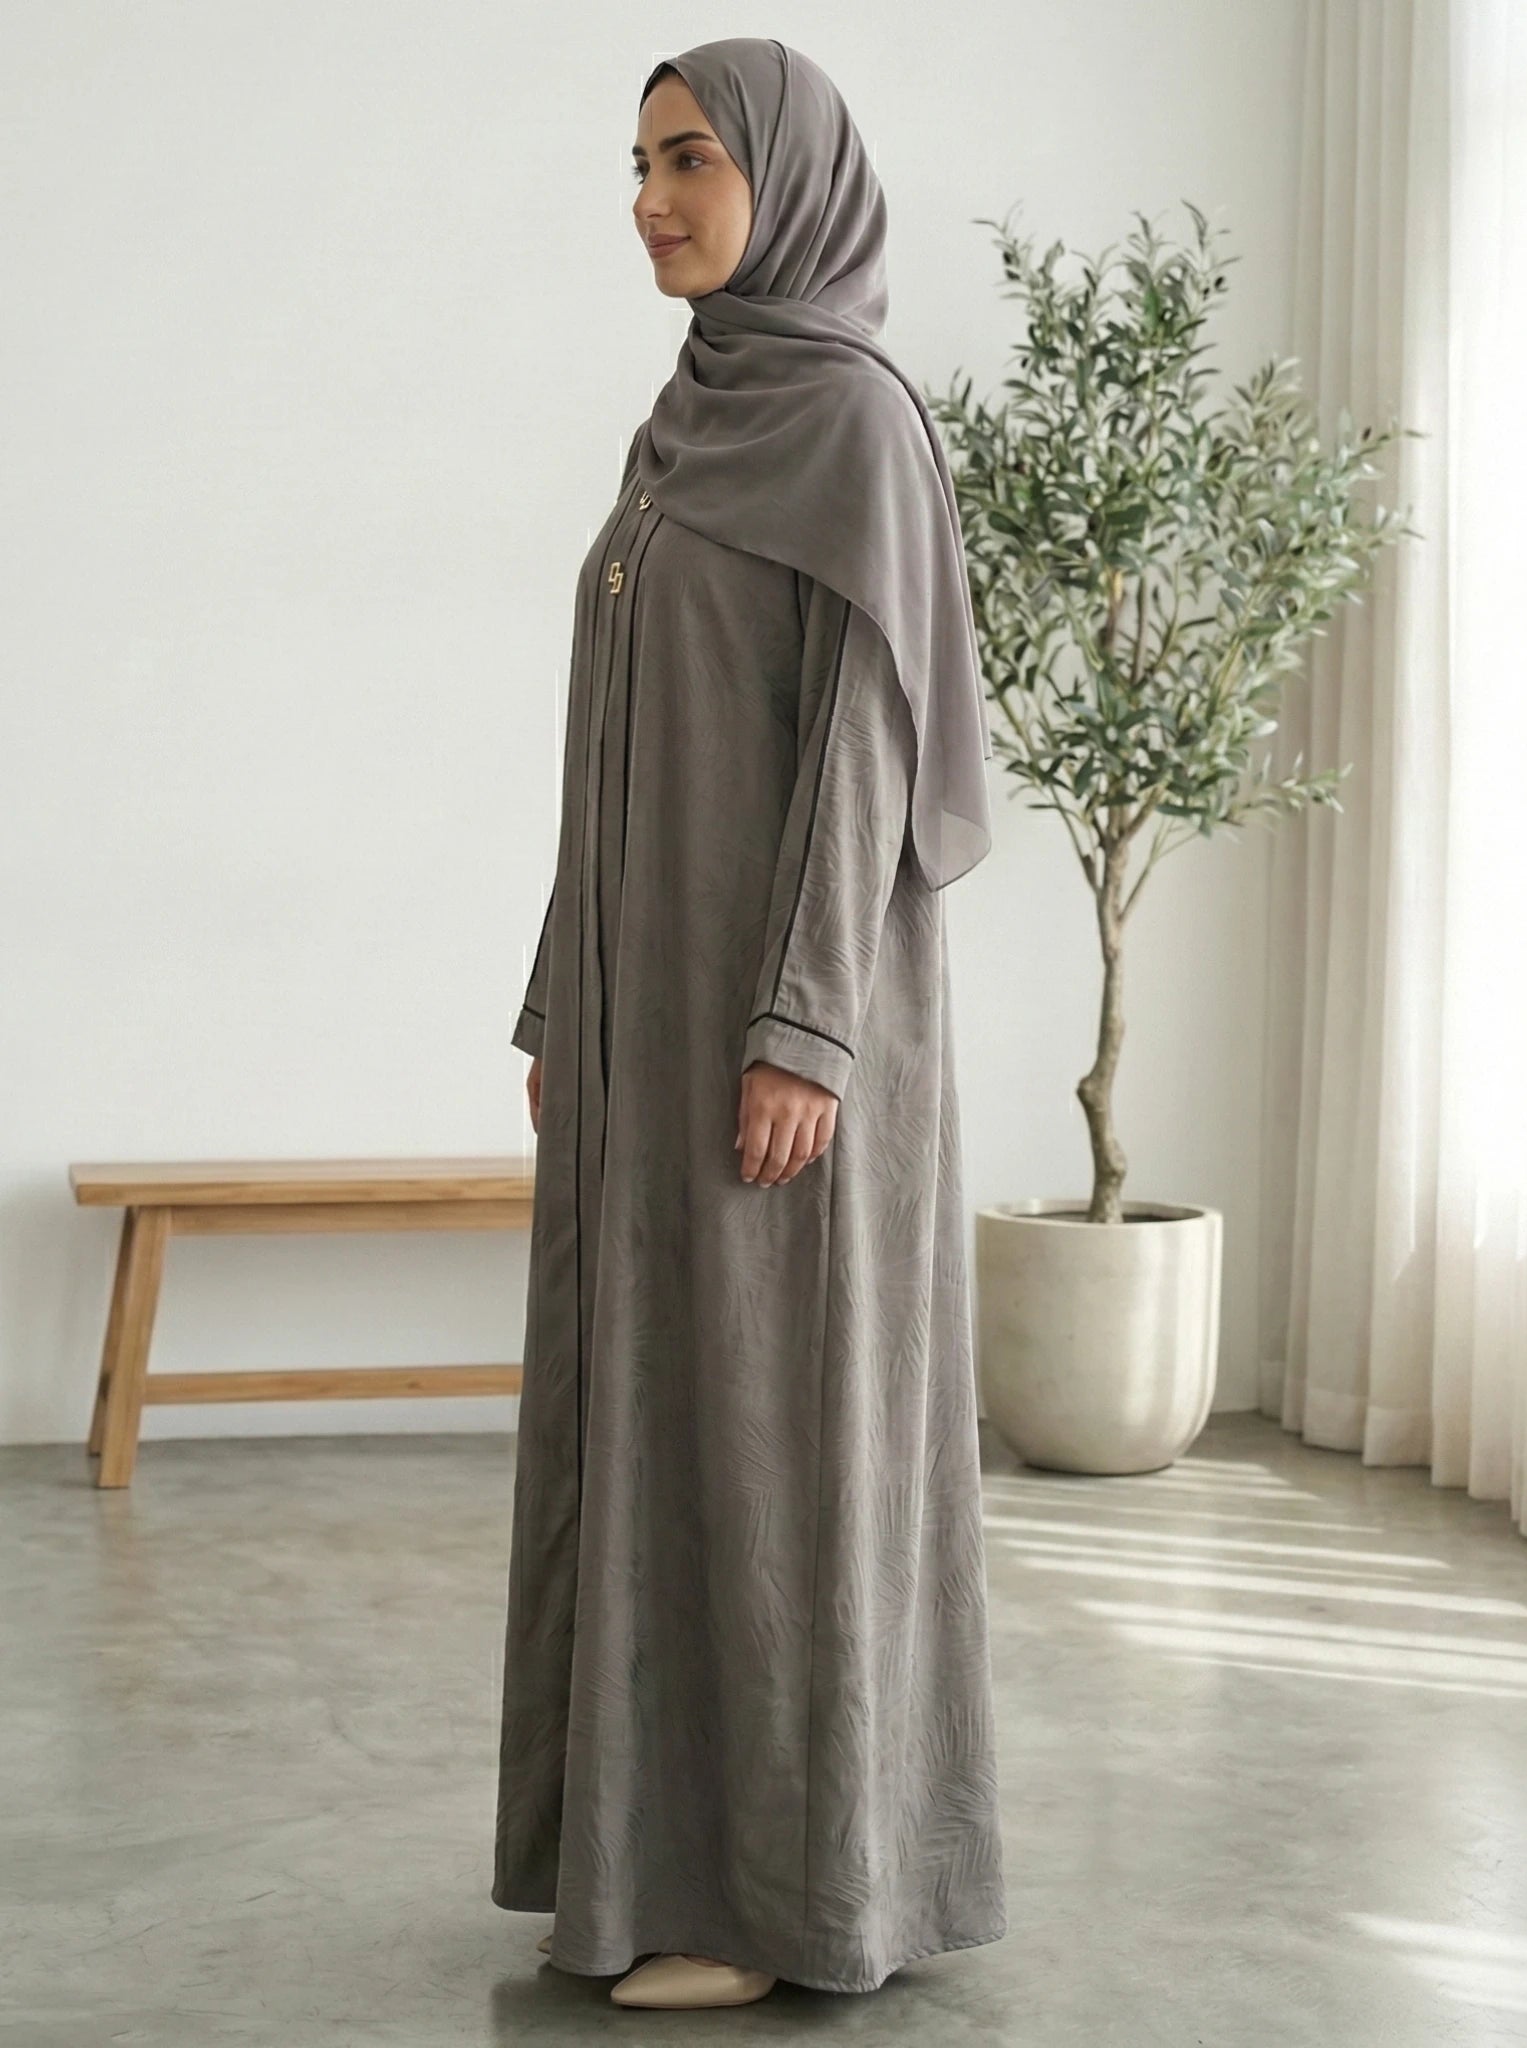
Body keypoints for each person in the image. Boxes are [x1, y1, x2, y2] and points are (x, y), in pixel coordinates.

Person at [491, 36, 1006, 2011]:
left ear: (786, 178)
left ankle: (775, 1895)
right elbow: (608, 755)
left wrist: (802, 1028)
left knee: (772, 1445)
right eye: (638, 163)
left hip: (777, 1041)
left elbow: (867, 753)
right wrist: (563, 993)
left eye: (691, 159)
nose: (651, 199)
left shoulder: (854, 423)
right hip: (647, 1021)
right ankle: (649, 1863)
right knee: (656, 1428)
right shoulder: (688, 421)